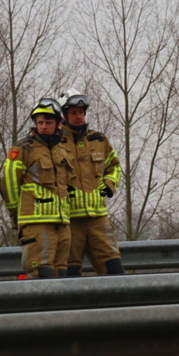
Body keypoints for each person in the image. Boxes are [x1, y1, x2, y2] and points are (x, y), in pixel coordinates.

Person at [0, 98, 74, 278]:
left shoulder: (62, 150)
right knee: (41, 275)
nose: (43, 126)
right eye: (40, 122)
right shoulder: (24, 148)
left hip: (62, 224)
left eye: (48, 122)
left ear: (58, 124)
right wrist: (16, 214)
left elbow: (67, 186)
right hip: (36, 223)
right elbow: (8, 182)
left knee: (62, 275)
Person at [58, 89, 125, 276]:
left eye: (81, 112)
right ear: (64, 115)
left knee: (114, 270)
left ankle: (118, 306)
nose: (78, 117)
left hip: (98, 219)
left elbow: (115, 166)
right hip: (69, 221)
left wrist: (109, 185)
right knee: (69, 275)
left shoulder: (99, 140)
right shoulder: (55, 143)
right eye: (73, 113)